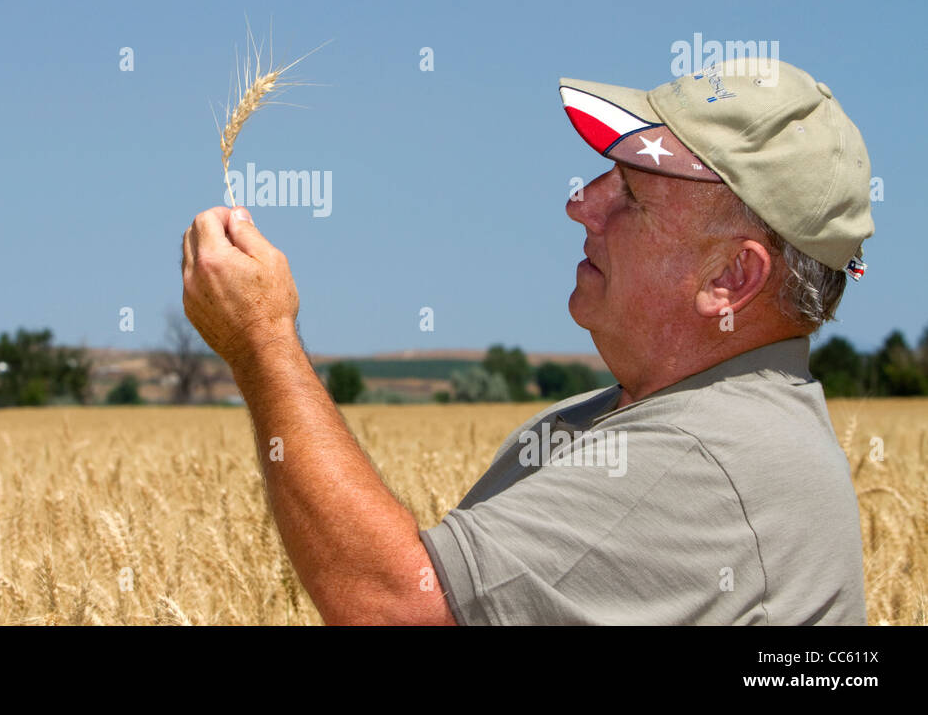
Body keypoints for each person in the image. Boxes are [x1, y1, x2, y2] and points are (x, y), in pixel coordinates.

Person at [180, 56, 872, 625]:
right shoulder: (648, 422)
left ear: (730, 277)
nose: (581, 202)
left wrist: (263, 342)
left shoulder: (702, 457)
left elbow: (396, 612)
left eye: (631, 192)